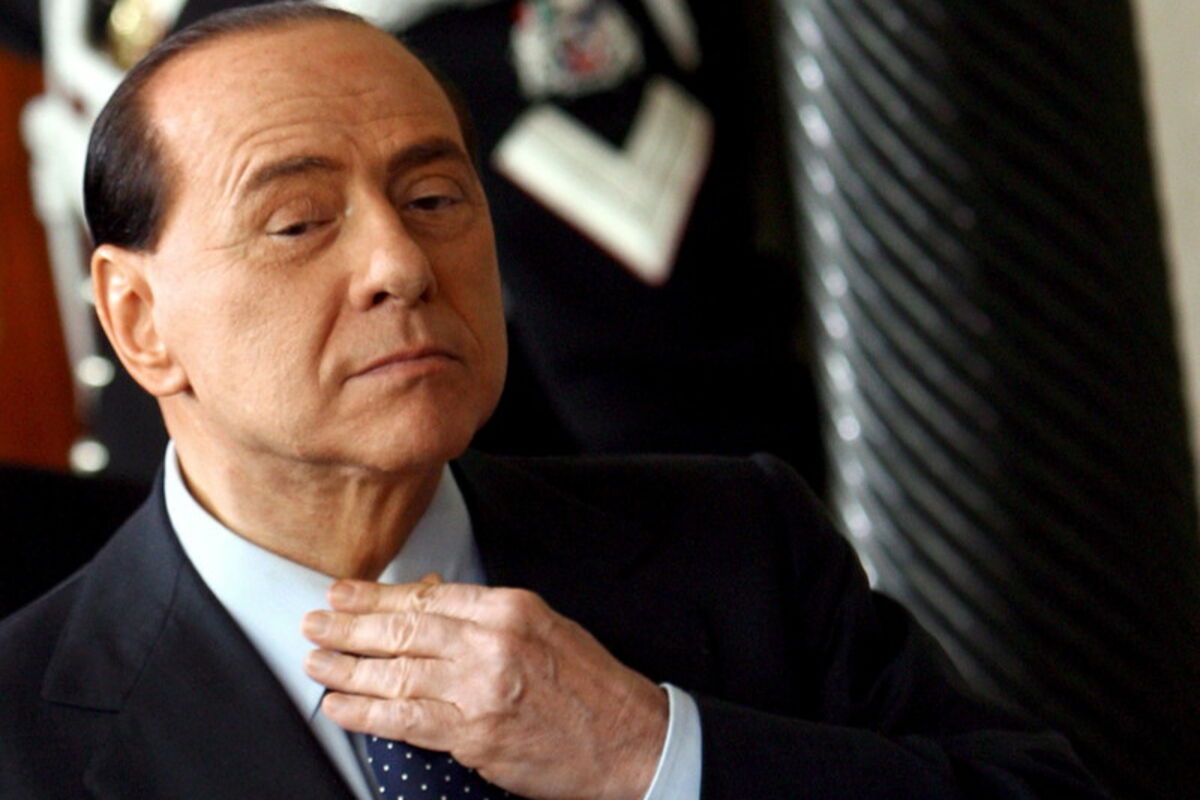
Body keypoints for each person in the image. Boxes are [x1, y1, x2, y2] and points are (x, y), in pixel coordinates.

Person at [0, 4, 1105, 798]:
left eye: (437, 198)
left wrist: (653, 754)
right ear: (139, 321)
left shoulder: (740, 546)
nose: (400, 264)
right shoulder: (22, 719)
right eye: (299, 223)